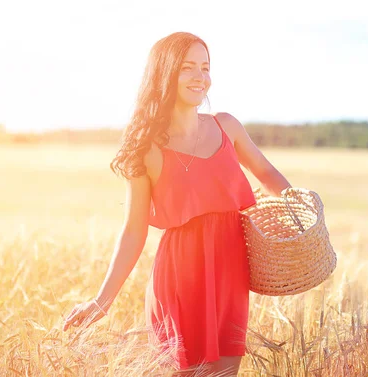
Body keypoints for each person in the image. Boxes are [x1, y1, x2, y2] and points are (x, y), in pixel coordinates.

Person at [62, 31, 292, 376]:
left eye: (205, 67)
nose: (200, 77)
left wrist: (300, 216)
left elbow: (267, 172)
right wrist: (101, 301)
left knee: (226, 371)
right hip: (180, 277)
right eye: (188, 67)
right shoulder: (146, 148)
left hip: (231, 271)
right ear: (165, 73)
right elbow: (133, 230)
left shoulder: (226, 126)